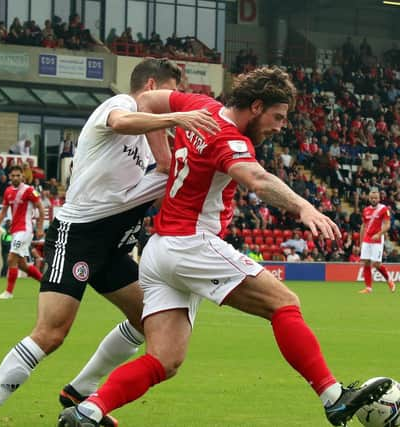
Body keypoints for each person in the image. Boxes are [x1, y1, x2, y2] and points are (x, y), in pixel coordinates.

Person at [59, 67, 392, 427]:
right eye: (277, 117)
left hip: (158, 251)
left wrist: (167, 145)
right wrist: (303, 206)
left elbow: (147, 101)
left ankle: (87, 411)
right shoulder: (230, 139)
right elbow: (257, 179)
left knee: (164, 359)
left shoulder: (199, 106)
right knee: (284, 304)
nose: (280, 126)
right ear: (256, 105)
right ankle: (333, 397)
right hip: (190, 243)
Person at [0, 57, 220, 427]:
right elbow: (122, 123)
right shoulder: (120, 105)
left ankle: (80, 392)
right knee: (51, 333)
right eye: (171, 93)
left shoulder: (148, 141)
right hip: (77, 236)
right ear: (150, 85)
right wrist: (175, 118)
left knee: (151, 321)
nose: (176, 102)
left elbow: (165, 168)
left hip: (113, 246)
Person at [0, 165, 45, 299]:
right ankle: (46, 283)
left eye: (18, 175)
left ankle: (8, 292)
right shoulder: (8, 191)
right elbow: (3, 211)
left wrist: (39, 227)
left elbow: (41, 208)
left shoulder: (29, 190)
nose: (15, 177)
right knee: (22, 264)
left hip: (25, 229)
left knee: (10, 259)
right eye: (13, 175)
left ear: (22, 176)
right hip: (15, 230)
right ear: (9, 176)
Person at [358, 189, 396, 293]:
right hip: (367, 239)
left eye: (376, 198)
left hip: (378, 239)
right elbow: (363, 226)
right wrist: (361, 242)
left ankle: (389, 280)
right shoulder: (366, 210)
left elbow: (387, 225)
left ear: (379, 198)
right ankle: (368, 288)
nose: (374, 200)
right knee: (366, 262)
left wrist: (379, 234)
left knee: (376, 264)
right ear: (369, 198)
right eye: (372, 198)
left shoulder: (383, 209)